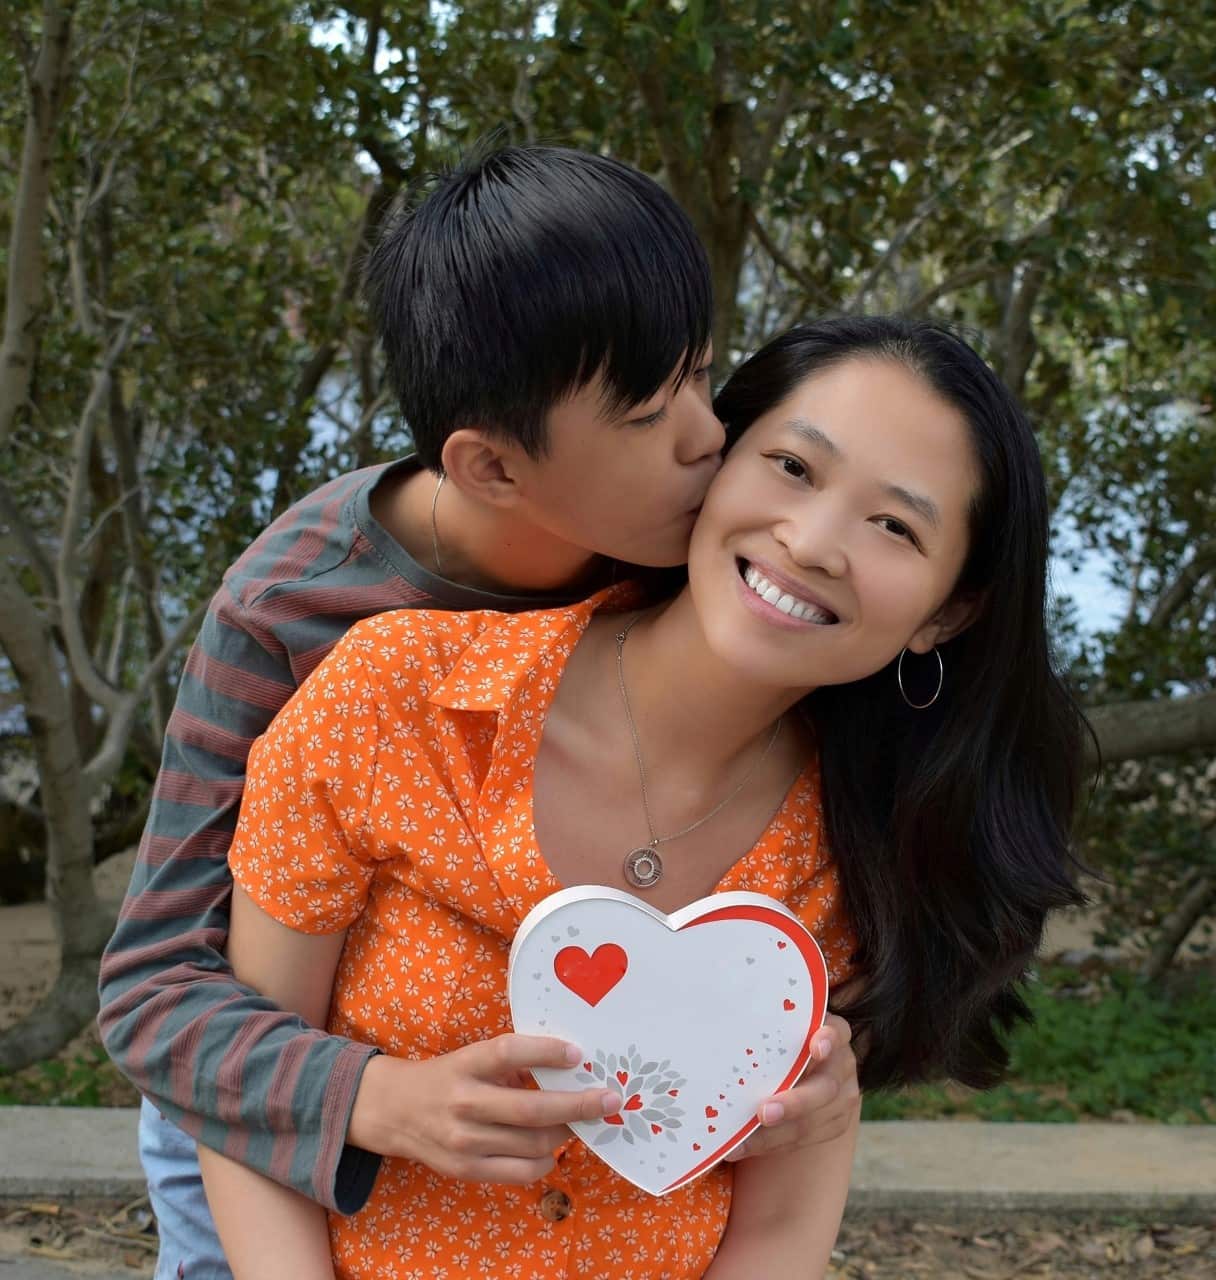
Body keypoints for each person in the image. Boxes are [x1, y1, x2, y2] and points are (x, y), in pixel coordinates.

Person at [96, 145, 860, 1280]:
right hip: (274, 1113)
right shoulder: (294, 609)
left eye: (703, 376)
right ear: (491, 468)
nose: (709, 438)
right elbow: (154, 990)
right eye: (653, 412)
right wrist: (375, 1096)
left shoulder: (683, 553)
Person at [198, 315, 1087, 1278]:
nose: (814, 540)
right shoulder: (396, 696)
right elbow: (250, 1088)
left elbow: (781, 1235)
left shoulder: (867, 857)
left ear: (947, 611)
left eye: (895, 526)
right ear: (715, 460)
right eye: (793, 467)